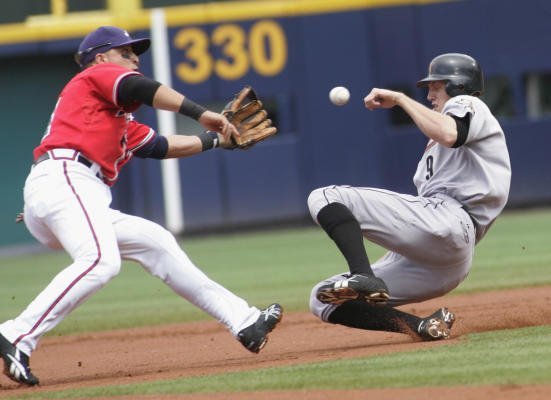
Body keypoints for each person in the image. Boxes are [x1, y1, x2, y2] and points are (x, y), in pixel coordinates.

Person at [0, 26, 282, 386]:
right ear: (102, 57)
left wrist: (217, 141)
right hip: (66, 178)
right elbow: (141, 88)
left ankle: (244, 321)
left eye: (136, 53)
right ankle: (17, 334)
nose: (135, 58)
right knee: (101, 262)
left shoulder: (113, 118)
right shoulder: (95, 75)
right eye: (126, 51)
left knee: (155, 241)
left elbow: (161, 146)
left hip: (70, 190)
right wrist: (201, 113)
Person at [307, 53, 511, 342]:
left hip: (450, 220)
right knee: (322, 298)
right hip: (448, 261)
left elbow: (451, 133)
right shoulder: (438, 148)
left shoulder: (468, 103)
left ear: (457, 85)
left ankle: (362, 275)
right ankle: (421, 326)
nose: (429, 94)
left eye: (435, 86)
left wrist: (401, 99)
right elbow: (420, 228)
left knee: (325, 196)